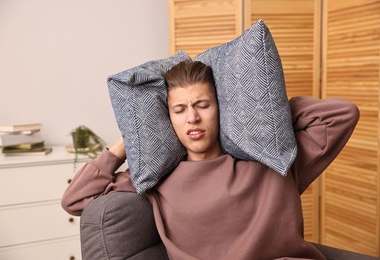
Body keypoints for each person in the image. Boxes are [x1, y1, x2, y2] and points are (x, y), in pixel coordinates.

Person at [61, 60, 359, 259]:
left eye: (203, 105)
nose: (192, 117)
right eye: (179, 110)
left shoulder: (273, 160)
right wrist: (130, 138)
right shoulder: (158, 179)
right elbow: (74, 200)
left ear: (223, 109)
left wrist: (260, 113)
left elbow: (342, 115)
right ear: (168, 119)